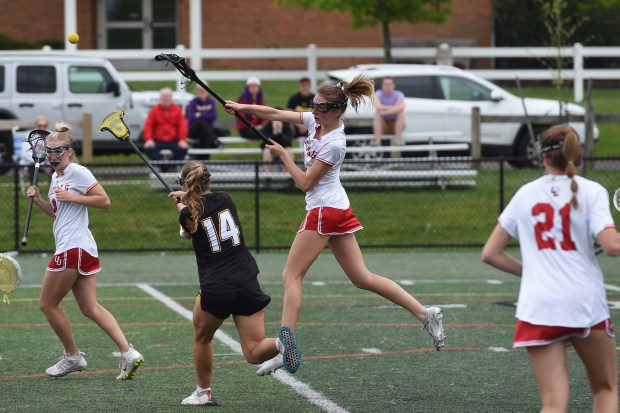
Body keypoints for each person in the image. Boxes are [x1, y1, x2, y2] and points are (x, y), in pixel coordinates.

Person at [224, 75, 445, 375]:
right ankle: (425, 313)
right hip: (335, 207)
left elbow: (304, 183)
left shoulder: (335, 143)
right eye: (313, 105)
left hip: (324, 211)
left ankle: (284, 344)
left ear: (336, 110)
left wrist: (284, 157)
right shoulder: (317, 123)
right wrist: (241, 107)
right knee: (362, 277)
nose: (313, 111)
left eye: (319, 107)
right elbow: (276, 113)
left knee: (291, 275)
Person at [482, 125, 618, 412]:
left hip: (539, 305)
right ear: (577, 154)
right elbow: (611, 246)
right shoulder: (592, 191)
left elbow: (491, 254)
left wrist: (531, 271)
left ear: (542, 157)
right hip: (584, 303)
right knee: (605, 390)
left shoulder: (524, 194)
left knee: (553, 403)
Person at [26, 122, 144, 380]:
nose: (53, 156)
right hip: (81, 248)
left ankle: (72, 356)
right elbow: (58, 214)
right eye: (50, 151)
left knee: (47, 304)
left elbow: (105, 201)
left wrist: (73, 197)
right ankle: (128, 353)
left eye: (58, 151)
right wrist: (39, 202)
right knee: (90, 307)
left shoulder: (78, 172)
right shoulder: (56, 177)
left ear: (69, 151)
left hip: (74, 247)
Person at [167, 161, 285, 405]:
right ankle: (280, 344)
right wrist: (185, 203)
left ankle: (203, 392)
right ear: (208, 181)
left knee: (202, 337)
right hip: (246, 281)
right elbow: (203, 207)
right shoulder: (226, 199)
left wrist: (182, 207)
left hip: (217, 286)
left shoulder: (187, 214)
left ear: (186, 185)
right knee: (253, 351)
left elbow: (189, 230)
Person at [143, 87, 189, 163]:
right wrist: (148, 139)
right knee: (148, 148)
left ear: (171, 98)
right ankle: (163, 166)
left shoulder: (177, 110)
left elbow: (182, 126)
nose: (166, 98)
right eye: (164, 96)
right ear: (161, 98)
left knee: (183, 149)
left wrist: (182, 140)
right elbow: (148, 126)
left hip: (174, 140)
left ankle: (171, 167)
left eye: (168, 96)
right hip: (158, 141)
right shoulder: (154, 110)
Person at [372, 77, 406, 156]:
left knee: (401, 114)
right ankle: (377, 141)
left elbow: (401, 107)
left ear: (394, 85)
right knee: (378, 114)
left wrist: (385, 111)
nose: (388, 86)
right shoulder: (378, 93)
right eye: (385, 84)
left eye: (390, 84)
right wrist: (394, 108)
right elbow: (378, 107)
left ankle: (398, 140)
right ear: (382, 85)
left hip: (396, 125)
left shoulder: (399, 94)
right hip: (384, 125)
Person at [186, 84, 221, 159]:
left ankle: (203, 165)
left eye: (203, 90)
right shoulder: (192, 103)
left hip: (206, 132)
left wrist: (199, 115)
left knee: (205, 135)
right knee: (201, 124)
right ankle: (214, 141)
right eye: (199, 90)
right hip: (194, 130)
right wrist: (206, 115)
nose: (201, 92)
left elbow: (213, 116)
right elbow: (191, 118)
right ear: (195, 91)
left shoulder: (211, 102)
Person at [261, 107, 294, 172]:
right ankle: (267, 174)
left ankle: (289, 173)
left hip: (283, 147)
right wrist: (274, 133)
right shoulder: (268, 125)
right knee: (266, 152)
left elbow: (288, 142)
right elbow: (264, 142)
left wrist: (280, 132)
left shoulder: (287, 126)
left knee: (289, 151)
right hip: (271, 148)